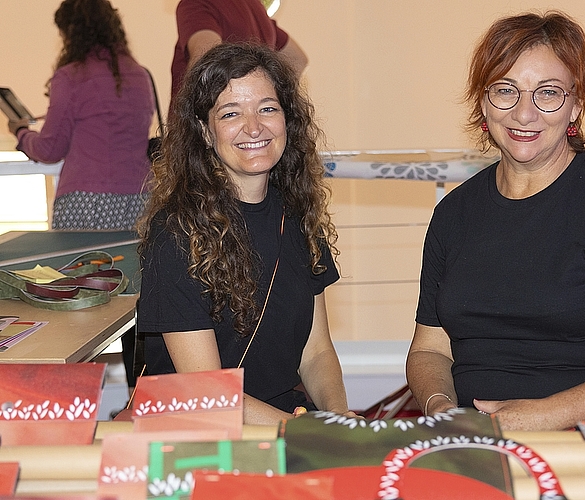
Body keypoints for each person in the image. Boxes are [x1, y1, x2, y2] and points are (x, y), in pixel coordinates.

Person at [406, 11, 585, 431]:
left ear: (576, 106)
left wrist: (543, 417)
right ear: (483, 102)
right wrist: (440, 406)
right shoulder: (453, 214)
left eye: (549, 93)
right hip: (475, 436)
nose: (524, 114)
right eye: (505, 90)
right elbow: (430, 350)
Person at [137, 42, 355, 424]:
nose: (254, 127)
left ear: (287, 119)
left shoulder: (300, 216)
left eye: (267, 109)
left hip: (281, 421)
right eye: (231, 113)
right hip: (198, 432)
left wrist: (338, 419)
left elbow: (315, 351)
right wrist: (305, 430)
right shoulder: (175, 232)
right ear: (205, 132)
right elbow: (206, 391)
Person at [6, 0, 154, 230]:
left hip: (88, 202)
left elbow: (50, 149)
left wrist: (21, 133)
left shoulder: (71, 76)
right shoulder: (140, 75)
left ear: (72, 33)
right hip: (141, 198)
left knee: (80, 265)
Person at [169, 0, 308, 113]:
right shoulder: (255, 6)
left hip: (208, 140)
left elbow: (207, 66)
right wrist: (264, 106)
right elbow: (297, 59)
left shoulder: (196, 3)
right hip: (251, 133)